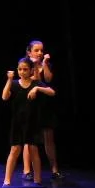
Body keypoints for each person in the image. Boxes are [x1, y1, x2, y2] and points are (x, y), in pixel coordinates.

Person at [2, 57, 55, 186]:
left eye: (25, 69)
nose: (22, 72)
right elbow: (4, 96)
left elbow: (52, 92)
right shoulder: (14, 84)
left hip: (32, 122)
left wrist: (37, 89)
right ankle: (7, 181)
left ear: (31, 70)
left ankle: (37, 180)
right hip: (18, 123)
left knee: (33, 149)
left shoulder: (36, 83)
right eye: (20, 69)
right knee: (14, 150)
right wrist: (9, 79)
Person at [23, 39, 62, 179]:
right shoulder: (26, 66)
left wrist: (44, 63)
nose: (40, 53)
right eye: (36, 50)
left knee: (49, 138)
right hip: (32, 104)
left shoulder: (46, 64)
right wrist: (34, 65)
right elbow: (36, 81)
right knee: (29, 139)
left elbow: (48, 79)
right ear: (29, 52)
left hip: (45, 105)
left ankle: (55, 170)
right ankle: (27, 171)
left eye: (41, 50)